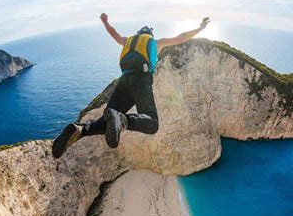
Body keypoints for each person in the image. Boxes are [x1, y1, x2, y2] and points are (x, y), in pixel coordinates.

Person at [52, 13, 211, 159]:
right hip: (141, 80)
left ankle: (79, 130)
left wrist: (105, 21)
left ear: (138, 33)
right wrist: (201, 28)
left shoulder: (127, 41)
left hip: (124, 81)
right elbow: (181, 37)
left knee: (103, 124)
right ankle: (121, 119)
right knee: (152, 123)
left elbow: (114, 34)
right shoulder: (156, 43)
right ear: (150, 35)